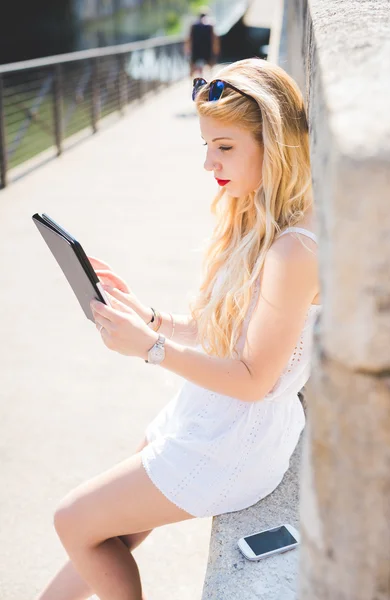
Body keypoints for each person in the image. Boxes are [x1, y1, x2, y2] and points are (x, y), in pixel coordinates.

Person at [36, 58, 321, 600]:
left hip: (239, 438)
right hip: (210, 413)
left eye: (226, 146)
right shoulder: (256, 212)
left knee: (73, 519)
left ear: (275, 143)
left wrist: (153, 349)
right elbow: (225, 330)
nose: (209, 162)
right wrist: (151, 319)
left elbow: (254, 378)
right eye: (206, 145)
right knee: (104, 529)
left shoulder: (293, 250)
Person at [184, 8, 220, 78]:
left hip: (196, 48)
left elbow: (189, 38)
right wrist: (216, 48)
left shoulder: (193, 25)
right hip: (207, 48)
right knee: (210, 65)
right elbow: (215, 38)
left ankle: (192, 81)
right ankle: (211, 78)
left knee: (193, 65)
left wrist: (187, 48)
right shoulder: (210, 24)